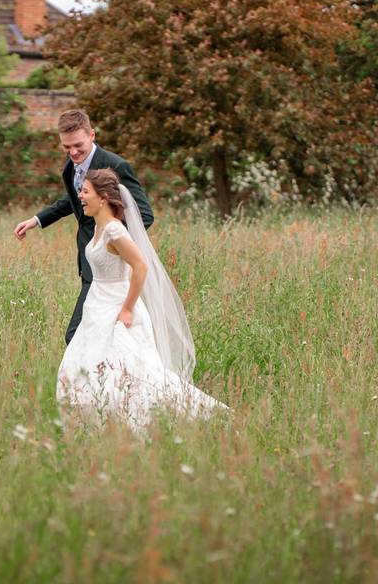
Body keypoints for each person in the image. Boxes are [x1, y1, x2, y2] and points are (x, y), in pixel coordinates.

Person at [55, 168, 228, 432]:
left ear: (103, 198)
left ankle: (181, 420)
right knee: (83, 366)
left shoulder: (114, 230)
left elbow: (141, 266)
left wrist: (127, 309)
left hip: (117, 309)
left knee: (134, 373)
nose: (80, 196)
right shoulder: (99, 228)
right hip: (96, 307)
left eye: (85, 191)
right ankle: (93, 428)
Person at [14, 109, 153, 345]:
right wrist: (37, 220)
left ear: (92, 135)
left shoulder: (116, 165)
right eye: (67, 147)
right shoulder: (70, 167)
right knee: (103, 334)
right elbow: (74, 200)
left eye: (78, 145)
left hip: (109, 266)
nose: (73, 152)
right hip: (90, 263)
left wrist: (112, 241)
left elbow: (145, 215)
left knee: (77, 336)